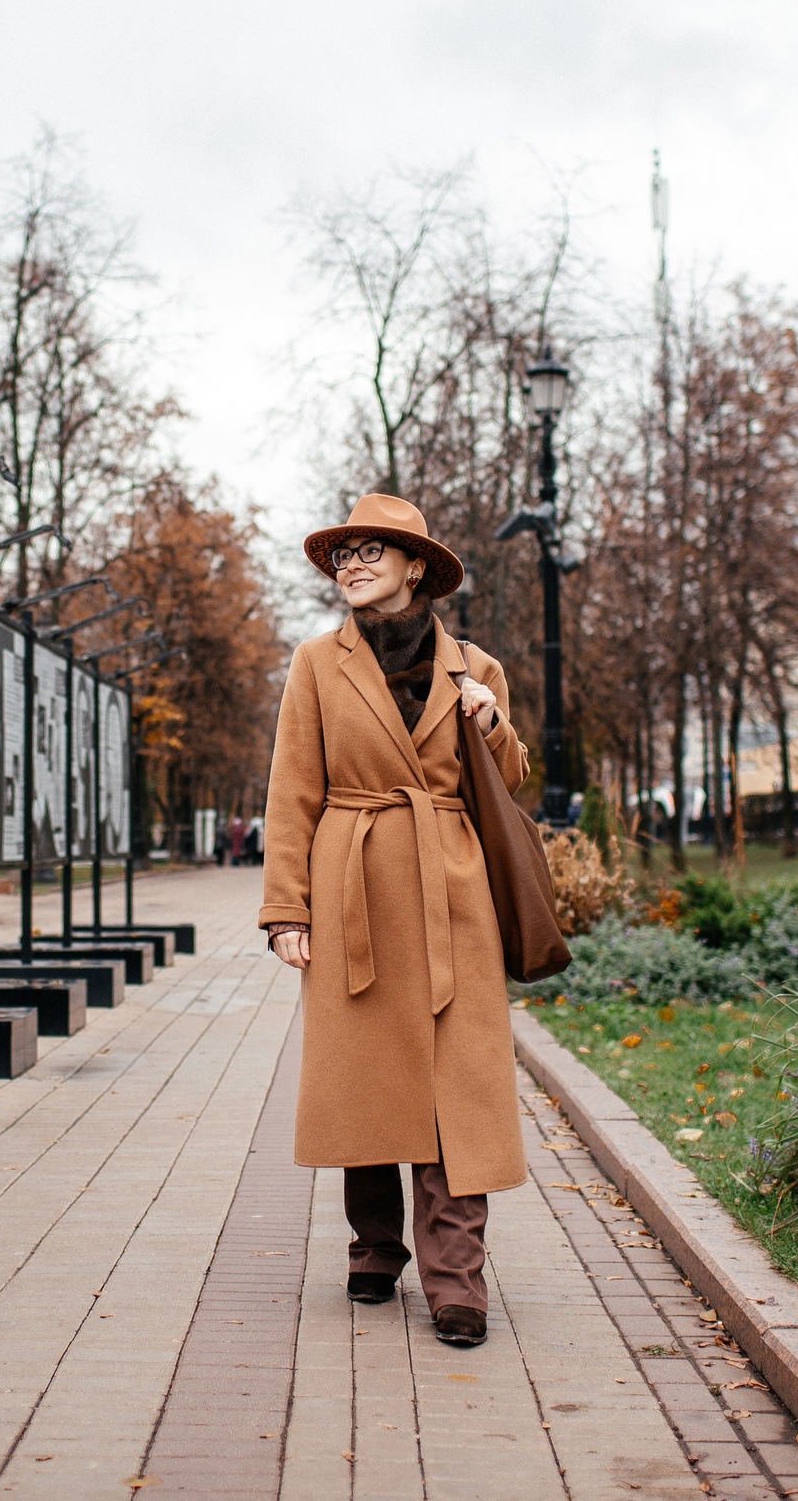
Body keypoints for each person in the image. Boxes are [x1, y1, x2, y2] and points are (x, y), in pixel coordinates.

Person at [260, 493, 529, 1350]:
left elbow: (511, 779)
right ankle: (375, 1246)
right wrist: (285, 907)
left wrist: (490, 721)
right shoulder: (316, 662)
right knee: (366, 1076)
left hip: (452, 891)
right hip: (355, 886)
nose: (352, 565)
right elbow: (292, 792)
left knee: (458, 1088)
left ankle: (457, 1281)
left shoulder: (474, 668)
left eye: (371, 551)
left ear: (417, 566)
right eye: (344, 554)